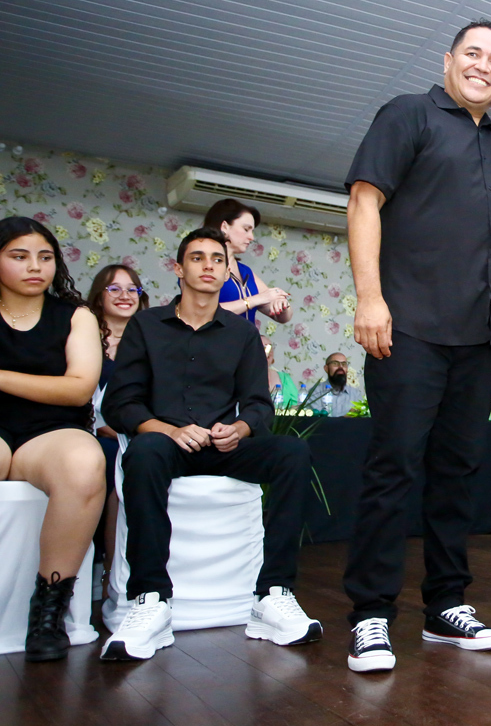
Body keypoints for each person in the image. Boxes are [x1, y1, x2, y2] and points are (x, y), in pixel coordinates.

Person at [340, 19, 491, 670]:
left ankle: (446, 605)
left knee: (457, 474)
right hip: (407, 326)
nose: (483, 66)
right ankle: (370, 614)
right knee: (393, 469)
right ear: (448, 60)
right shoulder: (408, 114)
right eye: (473, 53)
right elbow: (364, 202)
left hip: (479, 339)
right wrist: (369, 298)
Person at [100, 227, 320, 661]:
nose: (208, 266)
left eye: (218, 259)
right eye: (197, 258)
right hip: (165, 445)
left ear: (226, 270)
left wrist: (239, 429)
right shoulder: (146, 325)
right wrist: (167, 430)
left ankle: (274, 594)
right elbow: (120, 403)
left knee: (292, 453)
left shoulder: (241, 334)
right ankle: (151, 600)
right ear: (178, 268)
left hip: (224, 449)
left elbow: (258, 406)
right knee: (143, 452)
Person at [0, 216, 105, 662]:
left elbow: (78, 388)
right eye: (19, 256)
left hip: (51, 431)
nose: (34, 266)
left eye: (45, 257)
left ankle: (48, 610)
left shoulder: (75, 315)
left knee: (85, 463)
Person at [86, 264, 150, 582]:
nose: (125, 295)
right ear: (99, 295)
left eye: (132, 289)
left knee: (123, 460)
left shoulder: (153, 341)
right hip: (82, 433)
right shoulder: (81, 336)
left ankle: (113, 576)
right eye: (114, 288)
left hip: (130, 434)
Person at [202, 199, 291, 325]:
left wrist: (282, 304)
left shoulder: (245, 271)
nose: (251, 237)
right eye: (246, 229)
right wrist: (255, 300)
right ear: (224, 227)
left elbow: (282, 317)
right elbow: (202, 312)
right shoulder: (201, 266)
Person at [262, 335, 299, 409]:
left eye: (270, 347)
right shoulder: (244, 378)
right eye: (264, 347)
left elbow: (296, 406)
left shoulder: (285, 378)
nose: (269, 351)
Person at [320, 352, 359, 417]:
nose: (340, 367)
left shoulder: (356, 394)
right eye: (335, 363)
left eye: (344, 364)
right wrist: (345, 417)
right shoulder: (316, 392)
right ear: (326, 368)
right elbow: (316, 419)